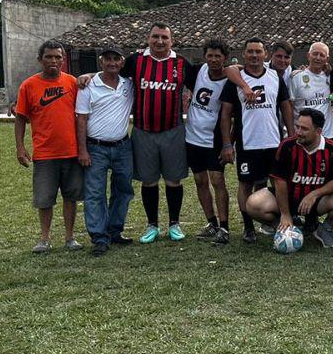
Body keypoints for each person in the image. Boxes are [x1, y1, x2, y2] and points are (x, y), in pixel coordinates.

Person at [119, 23, 193, 244]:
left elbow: (204, 81)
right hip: (143, 131)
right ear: (148, 38)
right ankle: (152, 225)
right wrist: (87, 76)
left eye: (164, 37)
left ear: (172, 41)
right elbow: (111, 74)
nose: (160, 41)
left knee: (173, 180)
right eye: (156, 37)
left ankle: (174, 224)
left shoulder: (182, 64)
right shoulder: (135, 61)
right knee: (148, 181)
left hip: (173, 130)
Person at [219, 38, 295, 243]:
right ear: (244, 55)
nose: (254, 55)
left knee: (280, 183)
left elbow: (285, 106)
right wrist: (227, 144)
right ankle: (248, 226)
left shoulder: (275, 77)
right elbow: (225, 114)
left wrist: (291, 135)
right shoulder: (236, 80)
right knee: (245, 185)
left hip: (274, 143)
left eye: (258, 51)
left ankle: (282, 219)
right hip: (248, 144)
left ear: (265, 55)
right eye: (250, 52)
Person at [247, 108, 333, 248]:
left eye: (304, 129)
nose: (298, 132)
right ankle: (283, 227)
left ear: (318, 131)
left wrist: (314, 194)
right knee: (253, 203)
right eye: (298, 127)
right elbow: (279, 181)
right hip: (288, 198)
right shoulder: (287, 146)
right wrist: (285, 214)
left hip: (317, 201)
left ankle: (324, 229)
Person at [14, 40, 83, 254]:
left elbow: (82, 115)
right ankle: (44, 238)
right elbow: (20, 118)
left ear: (63, 60)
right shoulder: (29, 85)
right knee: (44, 199)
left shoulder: (72, 83)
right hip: (44, 154)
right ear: (40, 59)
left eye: (58, 57)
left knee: (71, 196)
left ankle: (70, 237)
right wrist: (20, 147)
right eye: (49, 57)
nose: (54, 61)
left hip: (71, 152)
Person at [75, 46, 136, 257]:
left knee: (123, 190)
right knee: (95, 193)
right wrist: (82, 150)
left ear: (122, 63)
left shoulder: (128, 84)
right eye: (107, 59)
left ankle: (115, 230)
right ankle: (99, 237)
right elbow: (81, 119)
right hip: (96, 147)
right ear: (101, 61)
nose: (112, 63)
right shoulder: (88, 86)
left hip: (122, 146)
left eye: (116, 59)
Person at [186, 39, 233, 243]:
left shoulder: (229, 80)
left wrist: (228, 143)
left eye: (218, 56)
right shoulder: (198, 71)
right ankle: (211, 223)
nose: (213, 60)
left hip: (214, 139)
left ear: (225, 58)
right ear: (205, 56)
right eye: (210, 55)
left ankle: (224, 227)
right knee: (200, 180)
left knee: (217, 181)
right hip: (192, 137)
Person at [289, 42, 333, 139]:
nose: (318, 58)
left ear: (327, 59)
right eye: (315, 54)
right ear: (308, 56)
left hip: (328, 135)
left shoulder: (331, 77)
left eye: (322, 55)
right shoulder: (296, 77)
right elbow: (290, 107)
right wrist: (291, 132)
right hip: (303, 135)